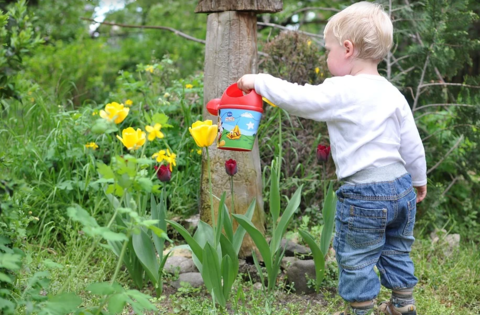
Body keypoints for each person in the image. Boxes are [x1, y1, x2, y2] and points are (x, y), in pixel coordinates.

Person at [237, 2, 427, 315]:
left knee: (357, 256)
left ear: (348, 49)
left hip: (364, 194)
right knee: (396, 249)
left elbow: (298, 98)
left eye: (329, 50)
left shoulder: (342, 89)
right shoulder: (392, 93)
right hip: (401, 187)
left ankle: (361, 310)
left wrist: (258, 81)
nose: (327, 57)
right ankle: (403, 304)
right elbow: (412, 144)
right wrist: (418, 180)